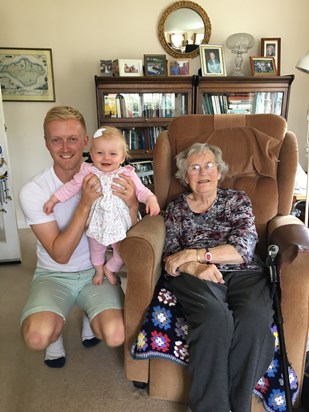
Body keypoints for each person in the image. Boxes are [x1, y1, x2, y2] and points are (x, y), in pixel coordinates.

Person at [19, 105, 139, 368]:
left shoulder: (112, 174)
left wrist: (132, 205)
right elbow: (60, 255)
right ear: (46, 143)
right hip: (53, 273)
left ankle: (89, 310)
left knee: (116, 334)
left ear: (86, 141)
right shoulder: (34, 191)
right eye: (56, 140)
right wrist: (84, 204)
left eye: (73, 139)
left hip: (95, 273)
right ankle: (56, 333)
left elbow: (129, 235)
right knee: (36, 337)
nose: (65, 147)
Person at [161, 143, 275, 412]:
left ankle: (238, 406)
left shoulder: (237, 200)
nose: (203, 172)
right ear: (184, 175)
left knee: (254, 320)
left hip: (243, 272)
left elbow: (244, 248)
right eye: (195, 167)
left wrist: (197, 256)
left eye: (209, 165)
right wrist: (193, 267)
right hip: (195, 277)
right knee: (215, 318)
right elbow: (170, 258)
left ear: (220, 171)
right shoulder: (176, 208)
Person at [43, 125, 160, 286]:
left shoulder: (127, 174)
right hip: (96, 222)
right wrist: (53, 200)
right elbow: (70, 187)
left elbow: (142, 191)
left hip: (119, 224)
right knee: (96, 251)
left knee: (122, 253)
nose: (106, 158)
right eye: (100, 153)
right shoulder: (88, 172)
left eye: (113, 154)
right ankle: (99, 270)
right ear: (91, 154)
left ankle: (109, 269)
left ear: (122, 157)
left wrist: (151, 199)